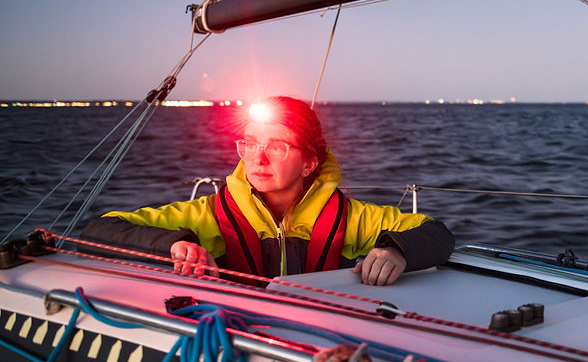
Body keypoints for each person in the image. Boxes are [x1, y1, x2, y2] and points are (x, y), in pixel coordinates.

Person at [82, 96, 454, 285]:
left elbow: (437, 234)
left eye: (277, 147)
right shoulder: (208, 215)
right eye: (249, 143)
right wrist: (175, 244)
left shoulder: (349, 218)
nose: (257, 159)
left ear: (309, 163)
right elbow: (100, 229)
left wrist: (397, 251)